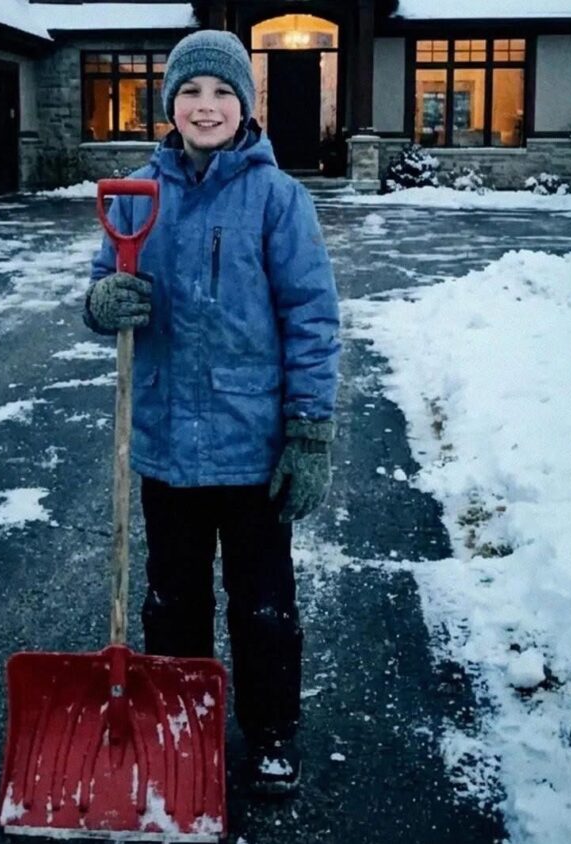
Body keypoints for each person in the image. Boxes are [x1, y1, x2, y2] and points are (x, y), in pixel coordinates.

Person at [84, 29, 340, 795]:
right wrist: (103, 304)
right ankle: (180, 725)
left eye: (223, 92)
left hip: (252, 445)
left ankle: (271, 731)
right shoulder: (138, 192)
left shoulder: (278, 198)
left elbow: (311, 317)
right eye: (191, 91)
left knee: (263, 604)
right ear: (170, 104)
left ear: (246, 106)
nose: (206, 106)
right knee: (172, 603)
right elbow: (103, 281)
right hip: (165, 442)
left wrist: (309, 432)